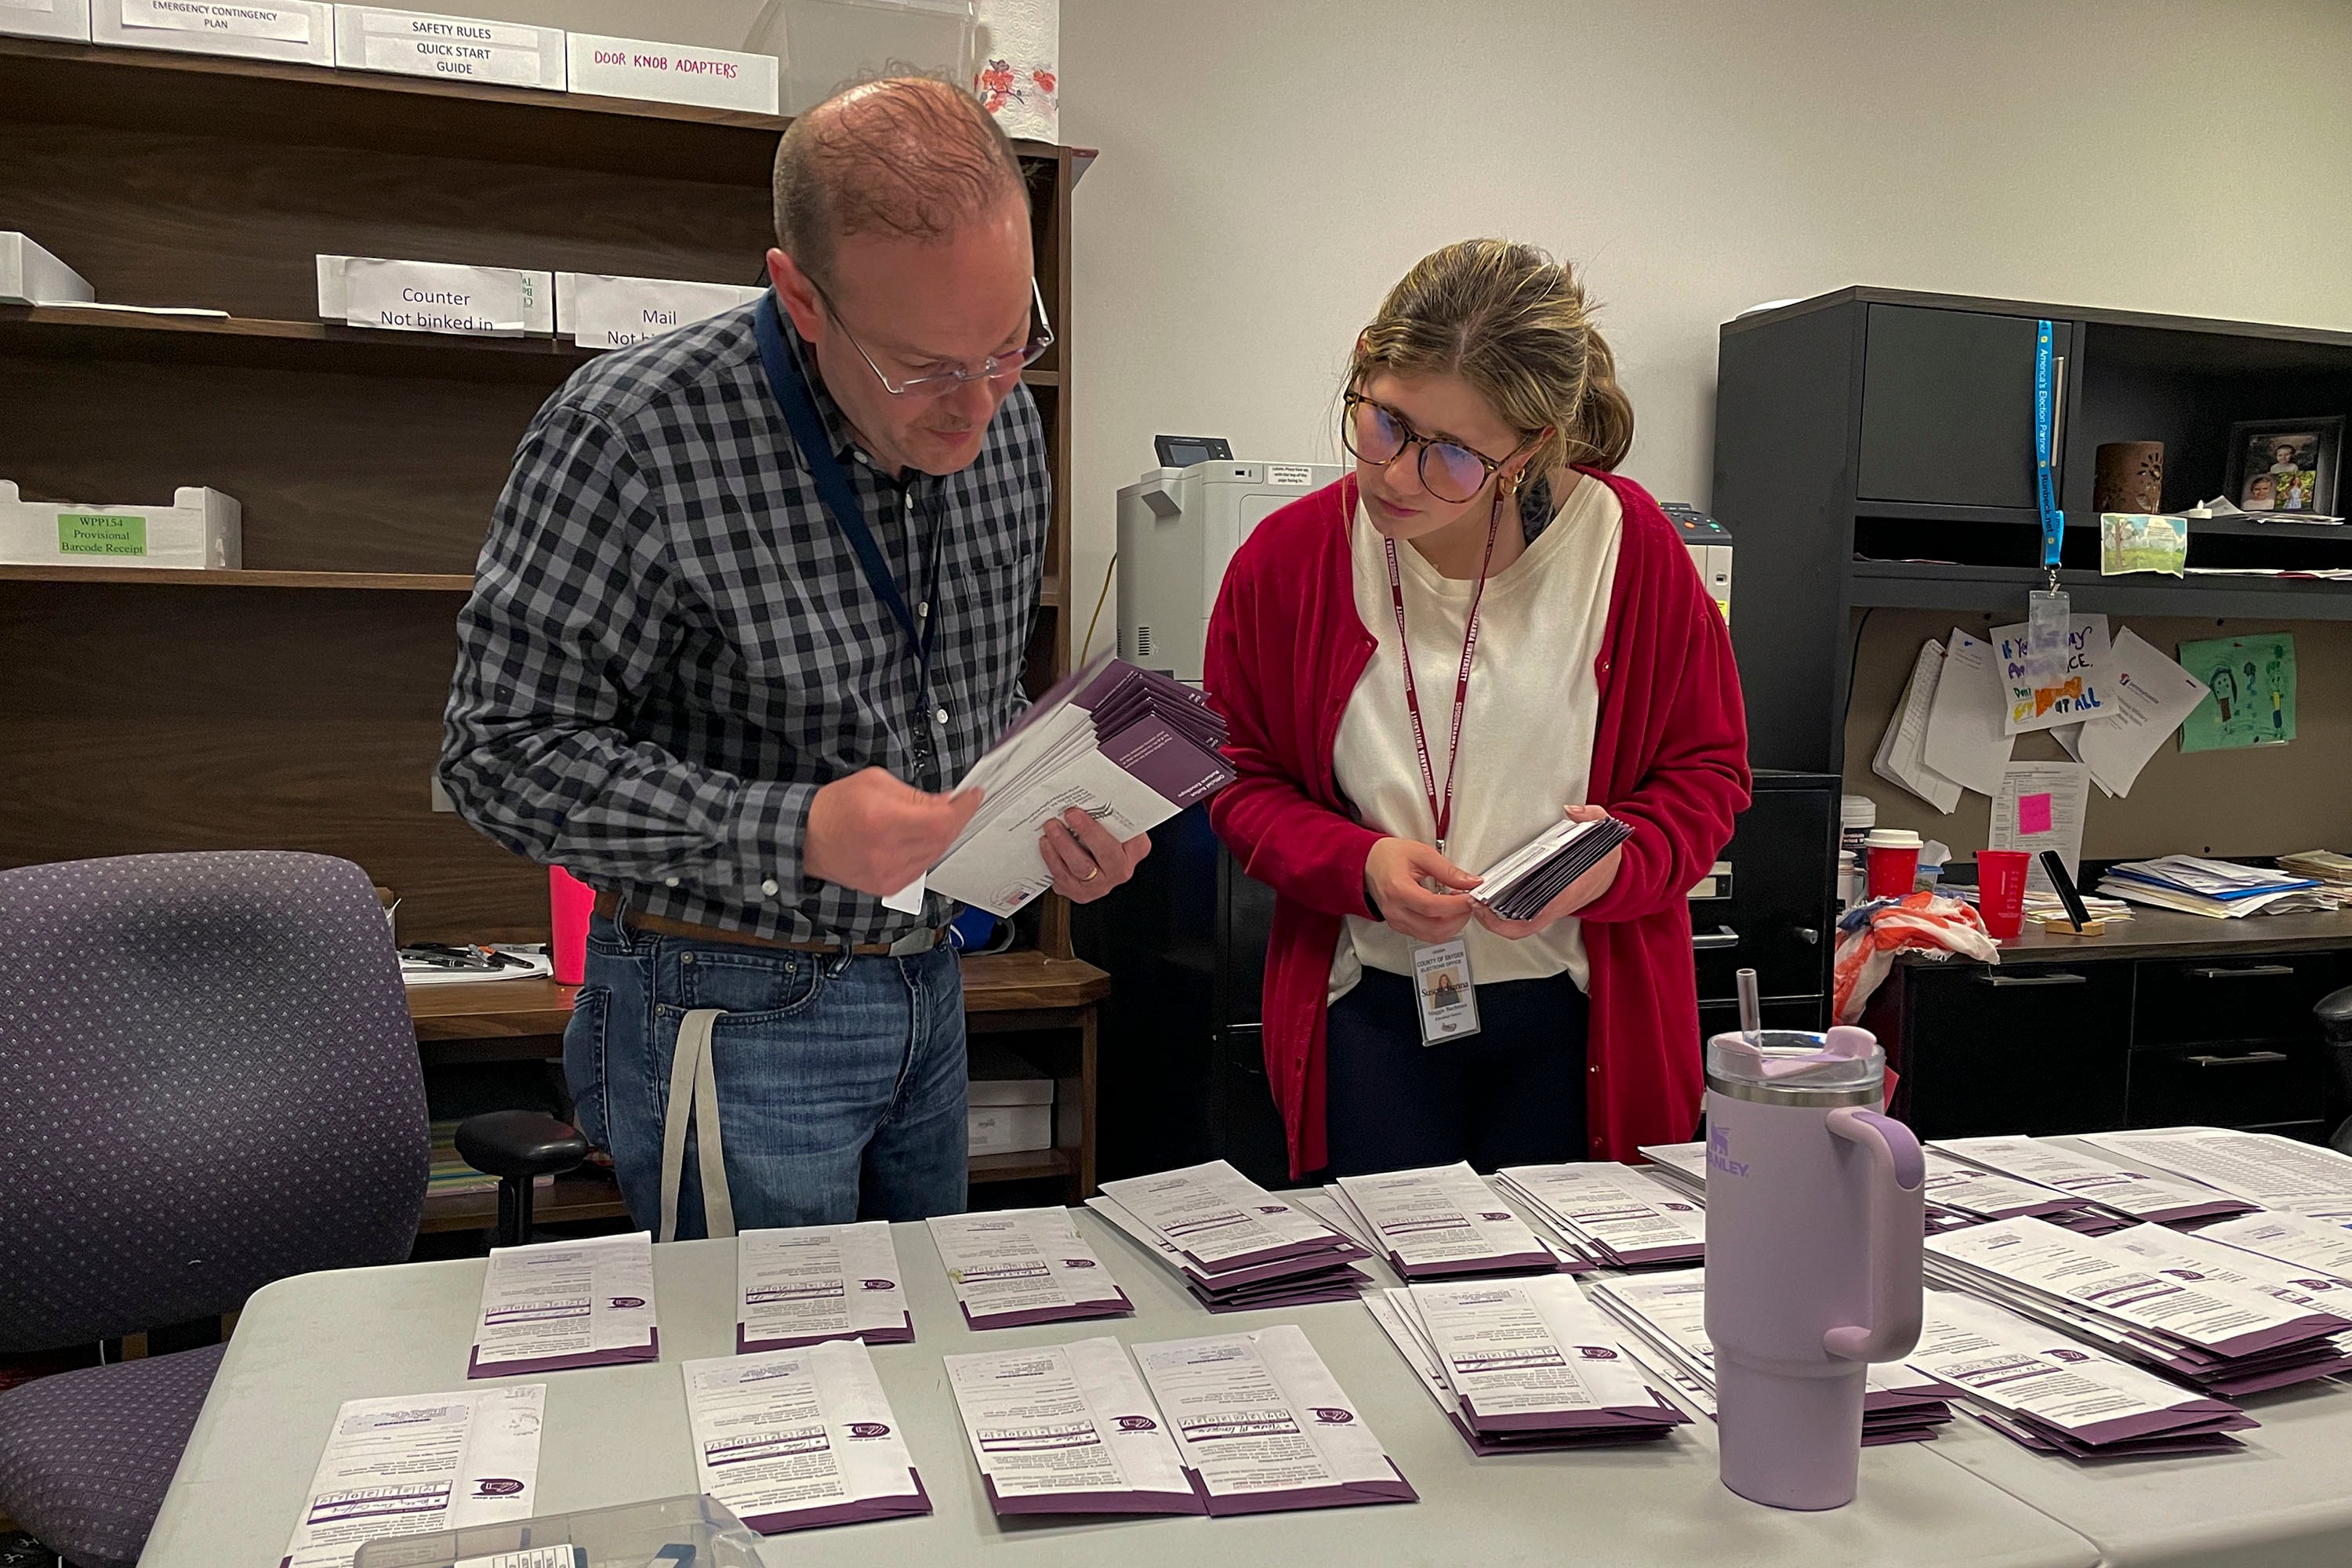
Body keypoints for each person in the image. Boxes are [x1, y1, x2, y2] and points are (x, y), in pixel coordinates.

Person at [440, 78, 1148, 1238]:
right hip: (728, 1000)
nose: (975, 410)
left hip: (932, 981)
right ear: (801, 298)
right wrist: (800, 831)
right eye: (924, 368)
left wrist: (1051, 818)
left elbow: (959, 699)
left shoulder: (1003, 420)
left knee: (920, 1365)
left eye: (1010, 347)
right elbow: (500, 755)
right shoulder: (632, 434)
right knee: (764, 1389)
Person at [1204, 239, 1748, 1179]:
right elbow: (1236, 777)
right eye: (1384, 422)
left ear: (1530, 448)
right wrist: (1360, 862)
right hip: (1367, 1011)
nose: (1399, 476)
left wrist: (1618, 863)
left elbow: (1708, 775)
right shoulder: (1288, 559)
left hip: (1577, 1017)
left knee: (1573, 1307)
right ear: (1367, 363)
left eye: (1453, 453)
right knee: (1383, 1304)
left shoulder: (1632, 553)